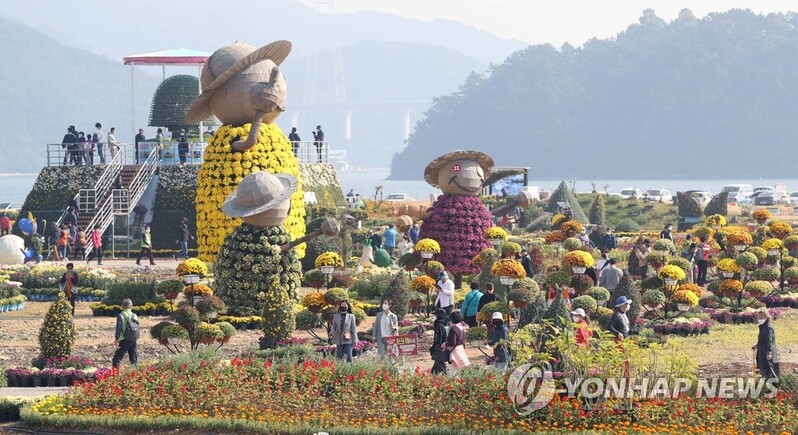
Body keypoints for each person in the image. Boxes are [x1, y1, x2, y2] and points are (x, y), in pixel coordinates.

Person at [112, 298, 139, 368]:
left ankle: (116, 374)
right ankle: (134, 373)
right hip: (133, 338)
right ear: (131, 306)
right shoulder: (134, 315)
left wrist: (116, 339)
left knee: (116, 359)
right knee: (133, 358)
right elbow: (137, 327)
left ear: (122, 306)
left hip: (124, 339)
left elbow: (118, 328)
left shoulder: (120, 315)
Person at [753, 310, 780, 379]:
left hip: (766, 354)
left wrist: (769, 353)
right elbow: (763, 340)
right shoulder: (763, 327)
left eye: (760, 317)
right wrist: (757, 345)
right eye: (758, 317)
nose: (759, 319)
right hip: (762, 352)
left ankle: (769, 386)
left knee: (768, 371)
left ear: (766, 317)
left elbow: (769, 341)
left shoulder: (768, 328)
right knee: (763, 370)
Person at [430, 308, 449, 375]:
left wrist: (434, 347)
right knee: (436, 368)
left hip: (440, 348)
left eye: (435, 315)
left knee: (441, 365)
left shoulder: (439, 325)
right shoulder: (443, 324)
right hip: (443, 347)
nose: (434, 317)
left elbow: (438, 338)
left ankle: (449, 378)